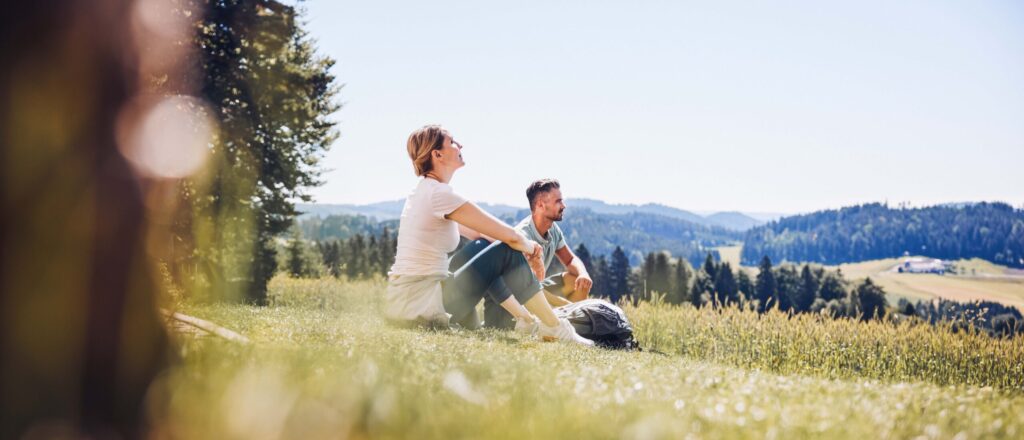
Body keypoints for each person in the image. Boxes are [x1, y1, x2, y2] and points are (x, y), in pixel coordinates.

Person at [383, 125, 592, 345]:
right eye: (452, 142)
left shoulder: (427, 191)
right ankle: (555, 327)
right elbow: (510, 237)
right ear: (437, 154)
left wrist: (522, 249)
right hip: (420, 304)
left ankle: (527, 319)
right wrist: (533, 250)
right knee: (506, 250)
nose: (459, 145)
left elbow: (481, 234)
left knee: (484, 245)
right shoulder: (438, 194)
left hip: (412, 299)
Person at [474, 179, 594, 329]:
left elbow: (570, 260)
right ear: (541, 205)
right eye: (558, 201)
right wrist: (568, 305)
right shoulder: (523, 237)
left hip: (534, 289)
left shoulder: (553, 229)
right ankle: (568, 321)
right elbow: (527, 288)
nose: (563, 206)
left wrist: (583, 274)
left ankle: (576, 326)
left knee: (577, 281)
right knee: (559, 302)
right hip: (513, 305)